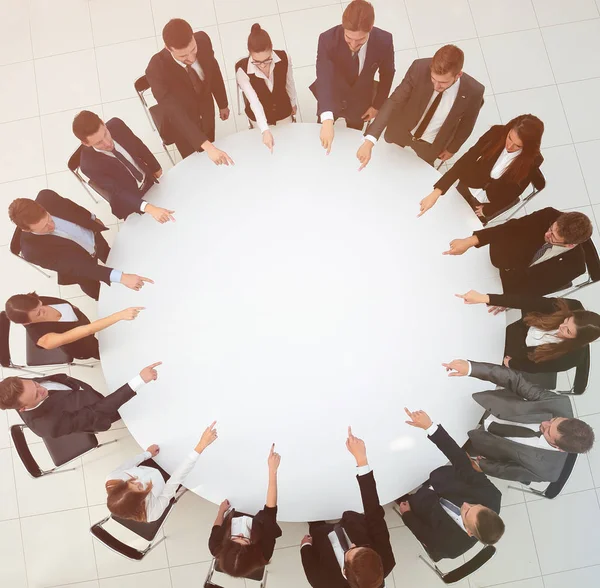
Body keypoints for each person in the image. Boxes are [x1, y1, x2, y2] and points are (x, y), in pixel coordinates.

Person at [442, 359, 595, 483]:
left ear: (559, 448)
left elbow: (507, 471)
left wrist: (482, 465)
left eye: (548, 431)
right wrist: (471, 368)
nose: (544, 423)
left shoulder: (546, 472)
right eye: (553, 419)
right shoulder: (559, 403)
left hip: (482, 442)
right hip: (485, 406)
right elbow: (516, 381)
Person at [398, 407, 504, 561]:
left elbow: (422, 532)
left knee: (404, 496)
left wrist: (407, 515)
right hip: (442, 479)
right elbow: (460, 460)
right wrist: (430, 427)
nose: (467, 504)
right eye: (476, 506)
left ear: (469, 531)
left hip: (423, 507)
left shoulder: (449, 546)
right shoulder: (491, 496)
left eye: (467, 512)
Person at [8, 191, 153, 300]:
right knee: (99, 292)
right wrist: (121, 277)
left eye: (49, 219)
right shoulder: (33, 252)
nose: (51, 226)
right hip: (80, 267)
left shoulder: (47, 197)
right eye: (44, 228)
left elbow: (72, 207)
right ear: (27, 230)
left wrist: (92, 218)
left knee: (110, 255)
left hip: (92, 238)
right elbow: (79, 268)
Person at [357, 44, 484, 169]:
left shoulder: (474, 91)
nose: (436, 86)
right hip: (400, 131)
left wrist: (452, 149)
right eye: (433, 79)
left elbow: (467, 125)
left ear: (458, 75)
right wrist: (370, 141)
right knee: (385, 162)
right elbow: (394, 101)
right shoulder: (419, 68)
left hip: (431, 144)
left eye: (443, 82)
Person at [300, 426, 395, 588]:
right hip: (353, 522)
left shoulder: (323, 582)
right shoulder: (386, 561)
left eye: (350, 552)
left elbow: (310, 566)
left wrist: (306, 546)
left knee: (314, 516)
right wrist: (362, 461)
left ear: (345, 571)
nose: (352, 544)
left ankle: (316, 523)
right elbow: (374, 514)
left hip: (322, 538)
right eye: (361, 547)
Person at [443, 207, 593, 296]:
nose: (547, 234)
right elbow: (511, 227)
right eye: (551, 228)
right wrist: (470, 241)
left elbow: (538, 289)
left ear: (569, 246)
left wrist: (507, 301)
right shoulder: (549, 214)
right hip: (501, 258)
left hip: (513, 285)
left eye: (553, 237)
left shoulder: (575, 266)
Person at [419, 115, 544, 220]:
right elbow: (466, 160)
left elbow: (514, 192)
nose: (509, 146)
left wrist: (489, 210)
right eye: (509, 138)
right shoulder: (496, 133)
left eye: (517, 146)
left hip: (489, 201)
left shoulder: (533, 160)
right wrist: (437, 191)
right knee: (445, 212)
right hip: (470, 184)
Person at [310, 0, 395, 154]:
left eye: (361, 40)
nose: (354, 44)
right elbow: (324, 76)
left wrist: (377, 105)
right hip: (332, 96)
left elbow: (387, 74)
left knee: (355, 134)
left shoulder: (384, 40)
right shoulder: (327, 39)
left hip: (361, 100)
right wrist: (327, 118)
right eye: (349, 38)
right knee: (323, 130)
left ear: (371, 27)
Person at [146, 18, 234, 164]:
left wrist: (222, 103)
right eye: (183, 56)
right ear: (168, 48)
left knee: (210, 140)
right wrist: (207, 146)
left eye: (193, 49)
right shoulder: (156, 69)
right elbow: (174, 112)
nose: (192, 58)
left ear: (193, 36)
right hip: (183, 124)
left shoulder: (203, 40)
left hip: (206, 110)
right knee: (193, 159)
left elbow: (214, 72)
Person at [0, 361, 162, 439]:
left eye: (36, 384)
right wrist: (138, 381)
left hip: (77, 393)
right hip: (98, 413)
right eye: (37, 395)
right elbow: (97, 410)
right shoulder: (50, 425)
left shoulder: (19, 386)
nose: (43, 389)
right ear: (22, 408)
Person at [457, 290, 600, 373]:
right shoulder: (570, 306)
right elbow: (528, 301)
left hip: (515, 355)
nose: (561, 326)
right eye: (566, 320)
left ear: (576, 340)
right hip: (513, 331)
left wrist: (513, 365)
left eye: (568, 331)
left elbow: (537, 367)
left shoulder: (571, 358)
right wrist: (487, 298)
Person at [73, 111, 175, 224]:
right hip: (131, 201)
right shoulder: (89, 166)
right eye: (99, 143)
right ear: (86, 143)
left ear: (103, 122)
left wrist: (156, 168)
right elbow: (118, 192)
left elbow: (139, 146)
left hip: (148, 179)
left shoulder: (117, 125)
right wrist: (150, 208)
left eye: (106, 134)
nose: (108, 143)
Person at [106, 421, 218, 522]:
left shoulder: (113, 478)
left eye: (131, 482)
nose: (138, 481)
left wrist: (147, 454)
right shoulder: (152, 513)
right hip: (166, 479)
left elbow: (129, 463)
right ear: (140, 501)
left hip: (149, 465)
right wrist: (201, 446)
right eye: (139, 487)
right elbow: (174, 481)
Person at [209, 444, 282, 578]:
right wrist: (273, 471)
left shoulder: (215, 547)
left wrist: (221, 512)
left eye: (236, 537)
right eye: (245, 539)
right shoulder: (264, 553)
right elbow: (270, 511)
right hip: (260, 518)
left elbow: (217, 527)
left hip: (236, 509)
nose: (242, 533)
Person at [4, 292, 144, 360]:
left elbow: (70, 307)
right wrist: (119, 315)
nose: (44, 309)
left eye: (39, 305)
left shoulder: (37, 301)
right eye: (39, 314)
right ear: (26, 322)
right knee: (115, 354)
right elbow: (85, 331)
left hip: (85, 325)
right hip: (83, 346)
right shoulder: (44, 339)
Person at [235, 24, 298, 153]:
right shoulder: (242, 70)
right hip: (258, 115)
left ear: (271, 50)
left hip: (282, 110)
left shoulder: (284, 57)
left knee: (288, 143)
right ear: (250, 54)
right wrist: (265, 130)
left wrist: (293, 102)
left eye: (267, 60)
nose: (263, 66)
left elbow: (289, 82)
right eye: (257, 62)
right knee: (263, 148)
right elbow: (254, 101)